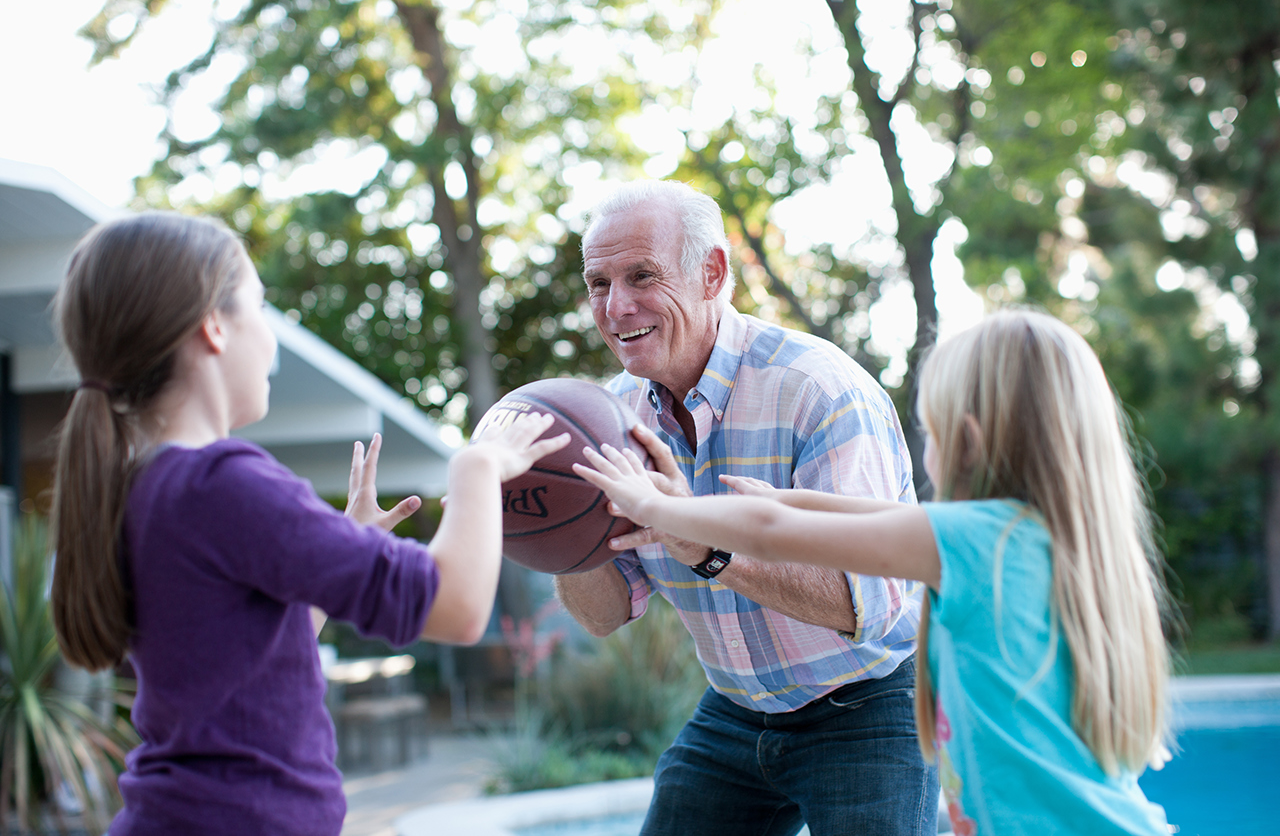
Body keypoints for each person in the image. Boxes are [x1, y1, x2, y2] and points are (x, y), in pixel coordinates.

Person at [47, 212, 568, 836]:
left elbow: (241, 650)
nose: (269, 338)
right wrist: (478, 468)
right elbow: (455, 609)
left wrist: (343, 546)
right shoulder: (222, 483)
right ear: (212, 326)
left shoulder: (145, 486)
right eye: (261, 309)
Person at [574, 309, 1174, 835]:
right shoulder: (1037, 541)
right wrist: (783, 499)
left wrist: (658, 507)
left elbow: (773, 535)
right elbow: (851, 515)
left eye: (930, 431)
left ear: (965, 442)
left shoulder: (969, 541)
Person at [554, 180, 939, 836]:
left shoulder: (818, 390)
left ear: (712, 273)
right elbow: (605, 613)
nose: (616, 306)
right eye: (598, 282)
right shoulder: (607, 421)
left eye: (642, 275)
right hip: (737, 706)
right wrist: (553, 527)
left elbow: (866, 601)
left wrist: (705, 547)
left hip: (871, 698)